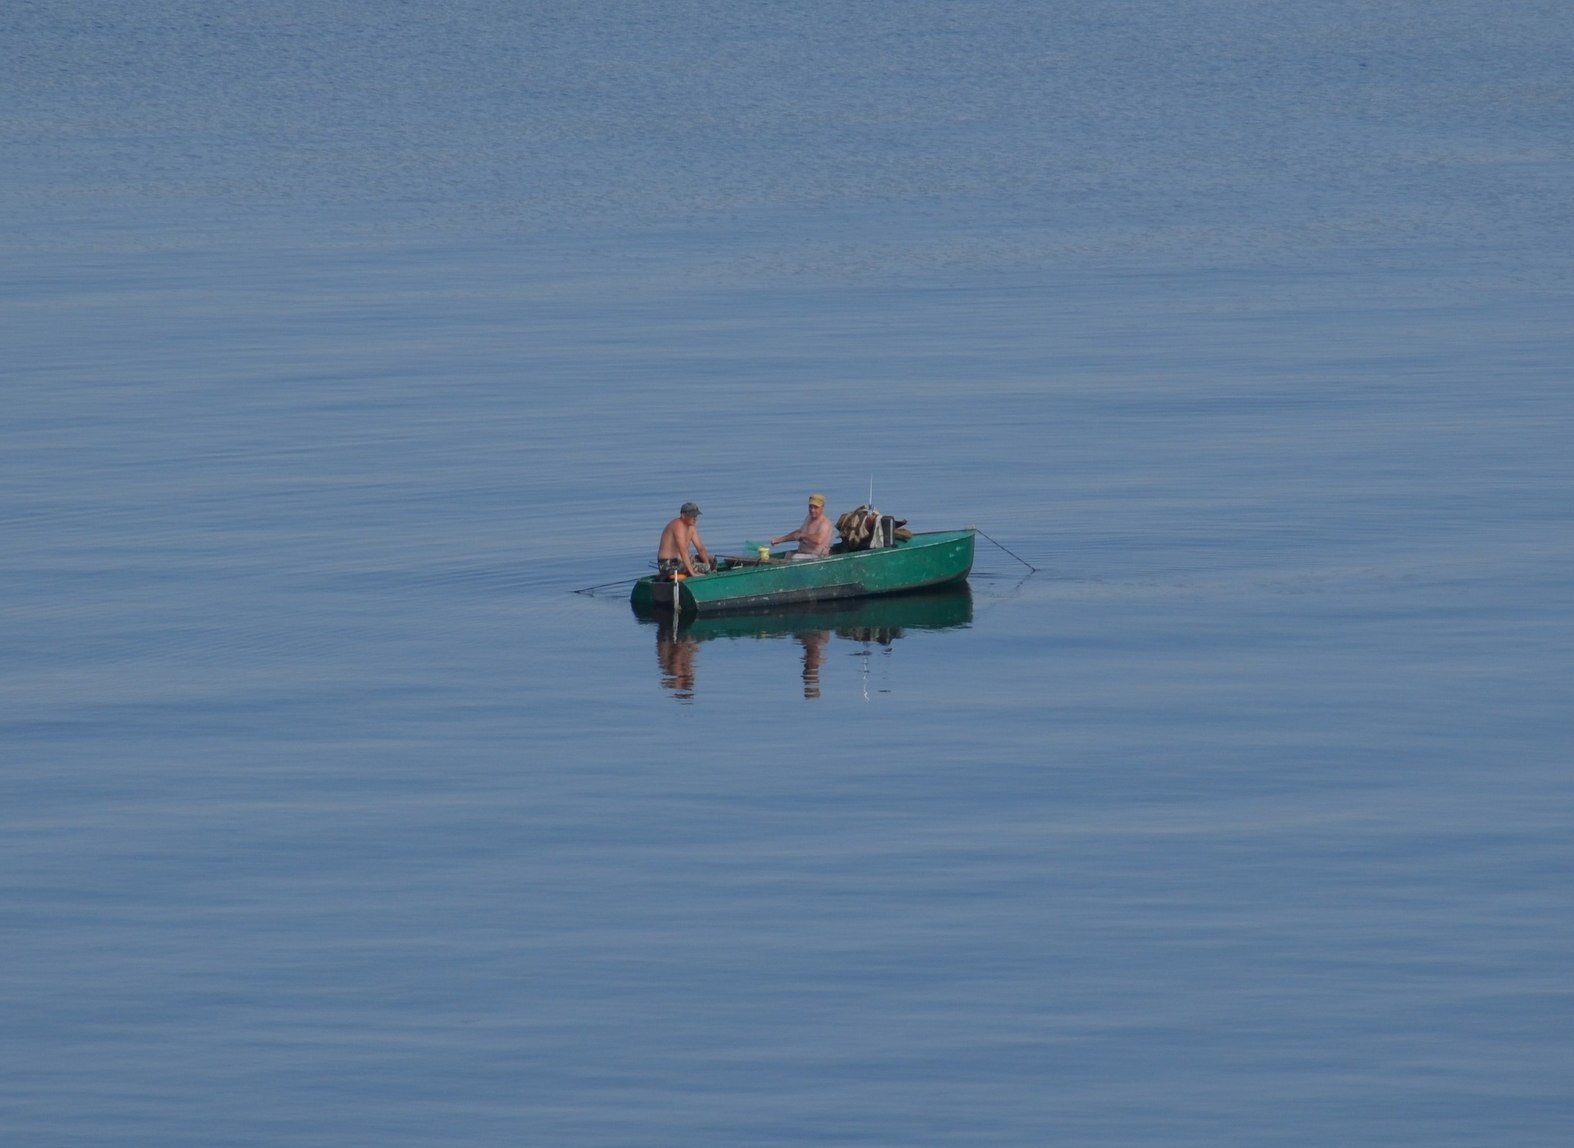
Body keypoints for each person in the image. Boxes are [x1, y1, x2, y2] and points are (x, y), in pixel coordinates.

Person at [771, 493, 834, 560]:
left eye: (816, 507)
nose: (812, 510)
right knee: (787, 555)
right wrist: (779, 540)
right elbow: (798, 533)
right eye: (810, 507)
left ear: (822, 507)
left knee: (795, 558)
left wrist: (803, 535)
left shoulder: (825, 523)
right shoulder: (809, 517)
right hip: (803, 553)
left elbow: (819, 540)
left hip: (818, 557)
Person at [657, 501, 713, 577]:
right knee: (705, 567)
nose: (695, 519)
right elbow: (683, 551)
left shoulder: (691, 527)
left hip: (681, 561)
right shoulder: (678, 526)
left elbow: (700, 548)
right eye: (692, 516)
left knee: (712, 561)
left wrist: (708, 565)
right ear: (683, 515)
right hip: (668, 564)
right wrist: (692, 573)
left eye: (696, 516)